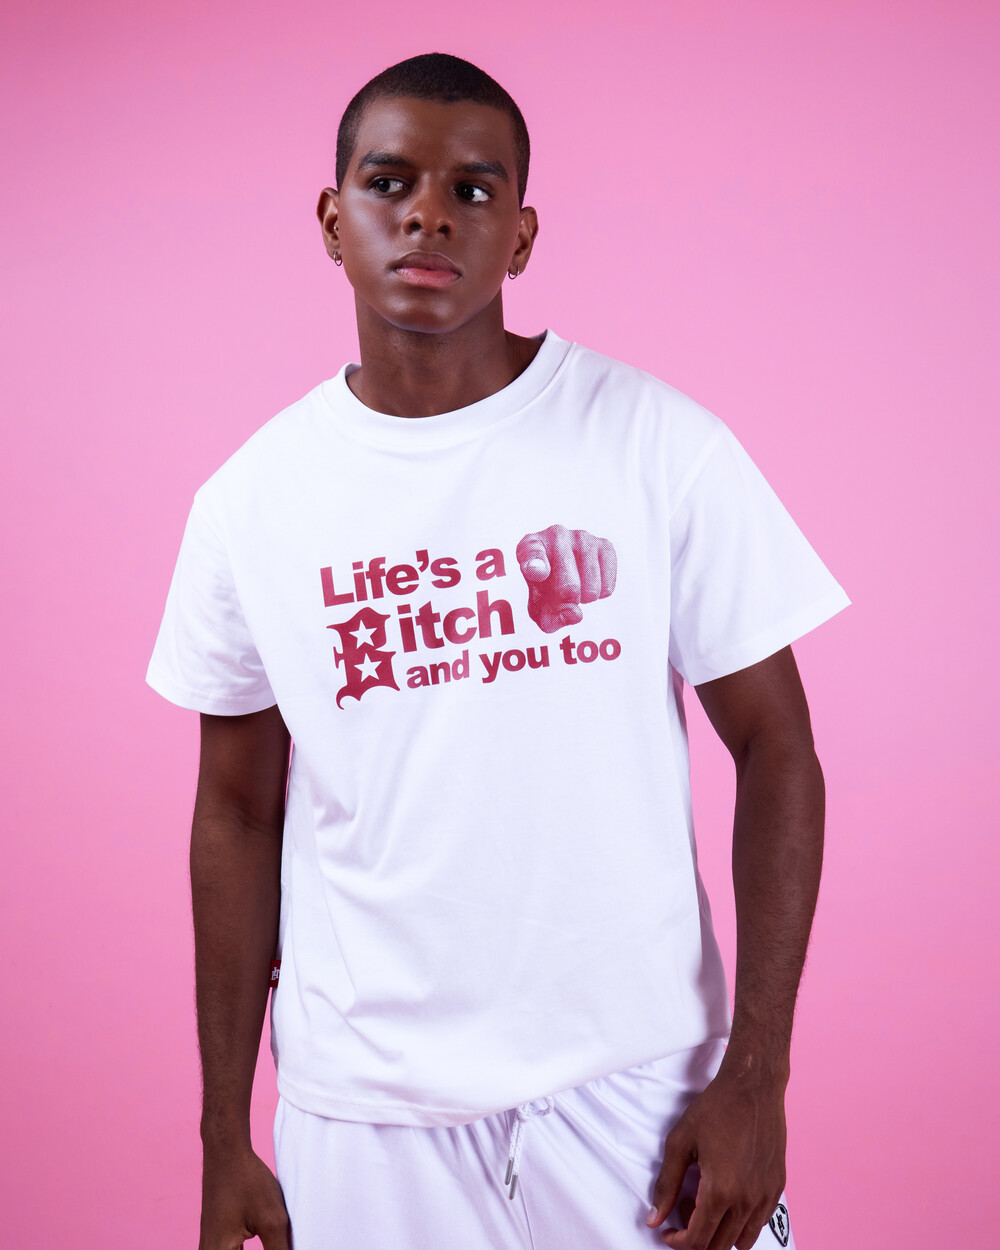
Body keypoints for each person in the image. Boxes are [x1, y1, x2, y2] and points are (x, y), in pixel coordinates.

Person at [147, 52, 848, 1250]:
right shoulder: (249, 502)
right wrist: (224, 1133)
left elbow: (778, 748)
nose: (429, 213)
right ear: (332, 219)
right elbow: (236, 811)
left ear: (520, 237)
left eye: (473, 190)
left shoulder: (654, 443)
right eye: (389, 182)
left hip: (641, 1093)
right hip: (367, 1118)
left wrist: (757, 1073)